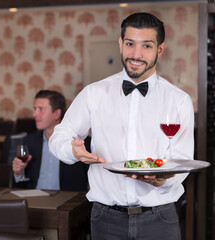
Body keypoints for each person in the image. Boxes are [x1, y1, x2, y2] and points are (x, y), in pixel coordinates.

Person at [49, 12, 194, 240]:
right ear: (120, 44)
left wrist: (164, 179)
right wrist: (72, 150)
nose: (136, 54)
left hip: (160, 219)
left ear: (160, 49)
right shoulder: (94, 94)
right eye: (130, 44)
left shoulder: (179, 101)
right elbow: (59, 136)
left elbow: (182, 160)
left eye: (146, 45)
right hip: (105, 219)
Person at [12, 90, 89, 191]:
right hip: (34, 202)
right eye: (35, 109)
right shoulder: (29, 141)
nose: (34, 114)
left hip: (67, 203)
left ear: (56, 114)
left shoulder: (80, 142)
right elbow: (20, 186)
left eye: (41, 109)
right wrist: (18, 173)